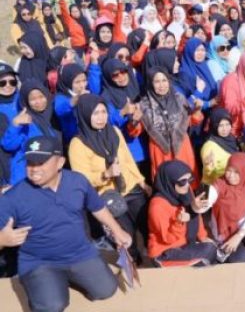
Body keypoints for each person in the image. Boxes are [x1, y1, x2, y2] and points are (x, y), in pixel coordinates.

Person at [0, 136, 131, 312]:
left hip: (80, 253)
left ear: (60, 162)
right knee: (52, 306)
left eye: (41, 162)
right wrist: (2, 240)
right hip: (40, 263)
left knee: (107, 290)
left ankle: (62, 280)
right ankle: (47, 284)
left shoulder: (78, 181)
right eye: (30, 162)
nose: (34, 169)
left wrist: (117, 230)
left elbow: (97, 207)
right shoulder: (13, 197)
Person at [68, 94, 151, 262]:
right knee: (125, 236)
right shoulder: (77, 144)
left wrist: (142, 182)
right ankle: (133, 264)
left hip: (131, 188)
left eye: (103, 112)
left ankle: (151, 259)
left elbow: (128, 159)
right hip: (109, 196)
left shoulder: (114, 131)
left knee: (146, 226)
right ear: (84, 114)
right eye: (95, 113)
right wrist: (105, 175)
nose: (101, 118)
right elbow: (81, 179)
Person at [134, 67, 200, 180]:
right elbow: (135, 131)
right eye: (157, 81)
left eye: (164, 80)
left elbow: (191, 120)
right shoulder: (144, 105)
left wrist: (197, 111)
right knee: (166, 181)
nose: (162, 85)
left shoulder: (179, 99)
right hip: (161, 150)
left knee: (186, 180)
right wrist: (134, 120)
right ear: (150, 83)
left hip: (182, 146)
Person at [148, 161, 216, 267]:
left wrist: (202, 236)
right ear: (169, 182)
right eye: (182, 181)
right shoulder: (157, 206)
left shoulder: (185, 191)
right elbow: (167, 239)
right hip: (165, 250)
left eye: (190, 180)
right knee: (209, 251)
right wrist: (178, 222)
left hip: (184, 242)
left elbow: (194, 216)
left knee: (211, 248)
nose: (187, 184)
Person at [206, 153, 245, 263]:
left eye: (236, 172)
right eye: (228, 170)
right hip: (225, 231)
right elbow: (206, 201)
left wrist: (239, 235)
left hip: (244, 225)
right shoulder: (219, 184)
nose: (230, 176)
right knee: (240, 258)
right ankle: (237, 249)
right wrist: (198, 205)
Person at [201, 108, 239, 185]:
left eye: (227, 124)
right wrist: (208, 165)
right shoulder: (209, 146)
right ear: (214, 126)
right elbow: (208, 171)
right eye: (221, 125)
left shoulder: (232, 139)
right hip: (215, 186)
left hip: (230, 183)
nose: (225, 129)